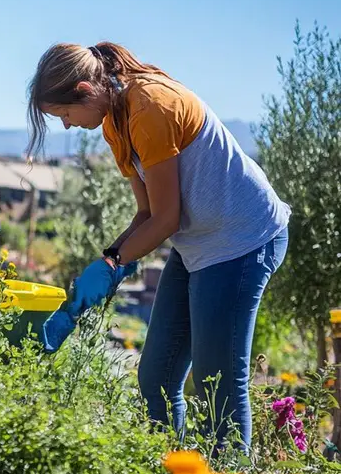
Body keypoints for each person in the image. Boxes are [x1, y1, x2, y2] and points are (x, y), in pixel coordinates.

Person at [27, 42, 290, 452]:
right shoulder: (115, 120)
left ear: (84, 88)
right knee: (158, 376)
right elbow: (148, 213)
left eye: (64, 114)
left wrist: (115, 262)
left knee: (215, 380)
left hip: (243, 240)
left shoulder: (150, 105)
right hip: (198, 244)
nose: (65, 125)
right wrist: (108, 262)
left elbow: (168, 219)